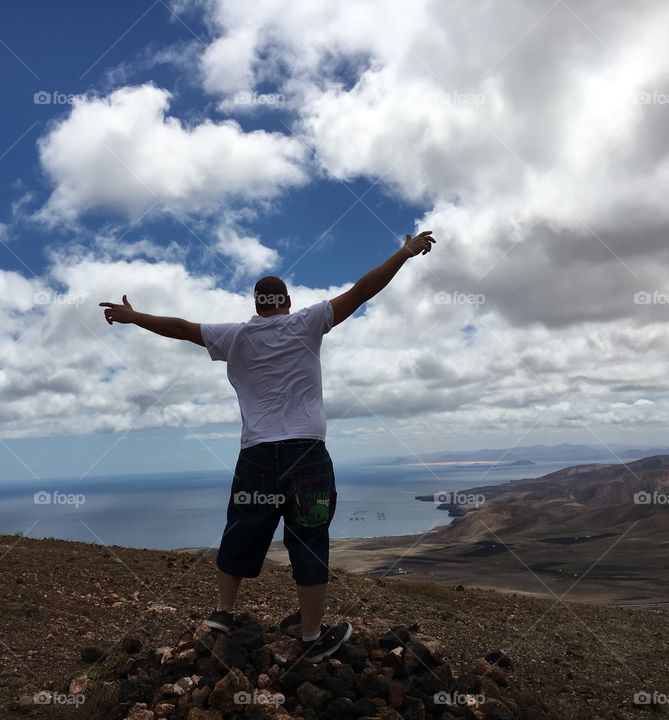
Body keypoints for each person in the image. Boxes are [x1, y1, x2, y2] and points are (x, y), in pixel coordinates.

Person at [99, 230, 436, 662]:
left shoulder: (234, 337)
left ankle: (222, 613)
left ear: (256, 305)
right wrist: (404, 253)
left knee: (241, 530)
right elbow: (362, 290)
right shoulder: (309, 322)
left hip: (257, 455)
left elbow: (181, 328)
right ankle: (312, 637)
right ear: (288, 302)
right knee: (309, 538)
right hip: (307, 455)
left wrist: (134, 316)